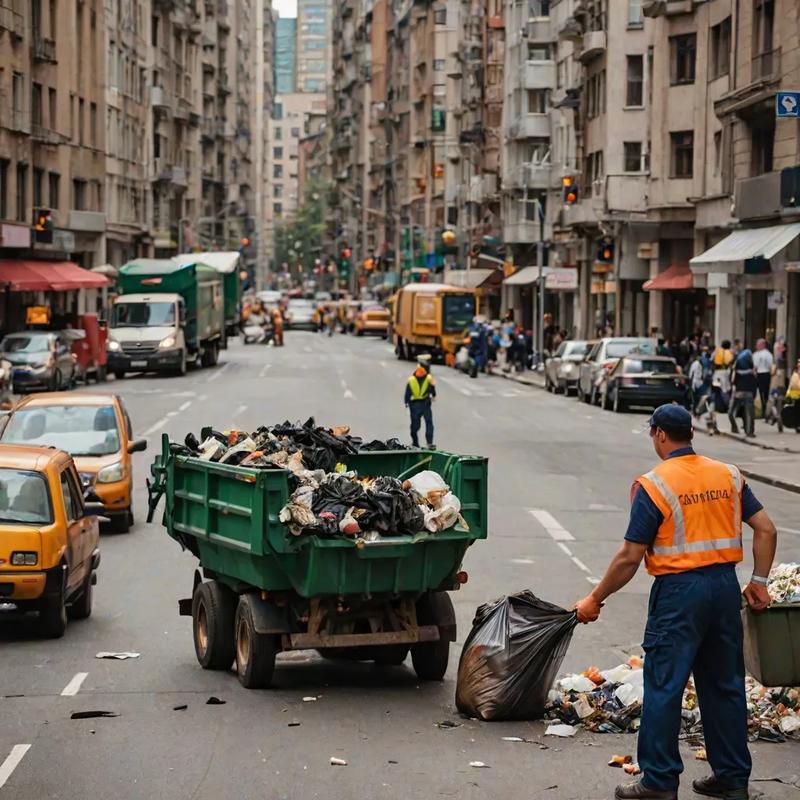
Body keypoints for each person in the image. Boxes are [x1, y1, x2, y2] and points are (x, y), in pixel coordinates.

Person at [575, 404, 777, 800]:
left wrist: (594, 598)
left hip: (679, 594)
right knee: (725, 685)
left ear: (660, 435)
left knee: (665, 686)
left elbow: (630, 557)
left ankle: (659, 781)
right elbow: (766, 529)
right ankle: (733, 778)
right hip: (723, 589)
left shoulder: (654, 485)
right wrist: (759, 581)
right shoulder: (729, 474)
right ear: (690, 433)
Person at [404, 357, 436, 449]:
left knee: (415, 425)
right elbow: (432, 390)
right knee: (428, 423)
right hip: (425, 404)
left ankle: (415, 443)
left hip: (414, 405)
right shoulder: (429, 378)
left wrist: (406, 403)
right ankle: (429, 443)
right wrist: (433, 396)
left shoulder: (411, 380)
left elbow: (407, 394)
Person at [729, 349, 757, 437]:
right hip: (749, 392)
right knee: (749, 413)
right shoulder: (752, 371)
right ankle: (749, 431)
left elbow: (732, 380)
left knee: (731, 411)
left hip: (738, 392)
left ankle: (734, 427)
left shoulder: (737, 369)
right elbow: (755, 383)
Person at [752, 339, 773, 415]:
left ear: (763, 345)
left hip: (764, 374)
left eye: (758, 344)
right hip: (760, 374)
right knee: (760, 393)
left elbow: (770, 366)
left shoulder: (767, 354)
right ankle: (759, 409)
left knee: (764, 393)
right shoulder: (755, 354)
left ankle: (764, 410)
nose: (757, 346)